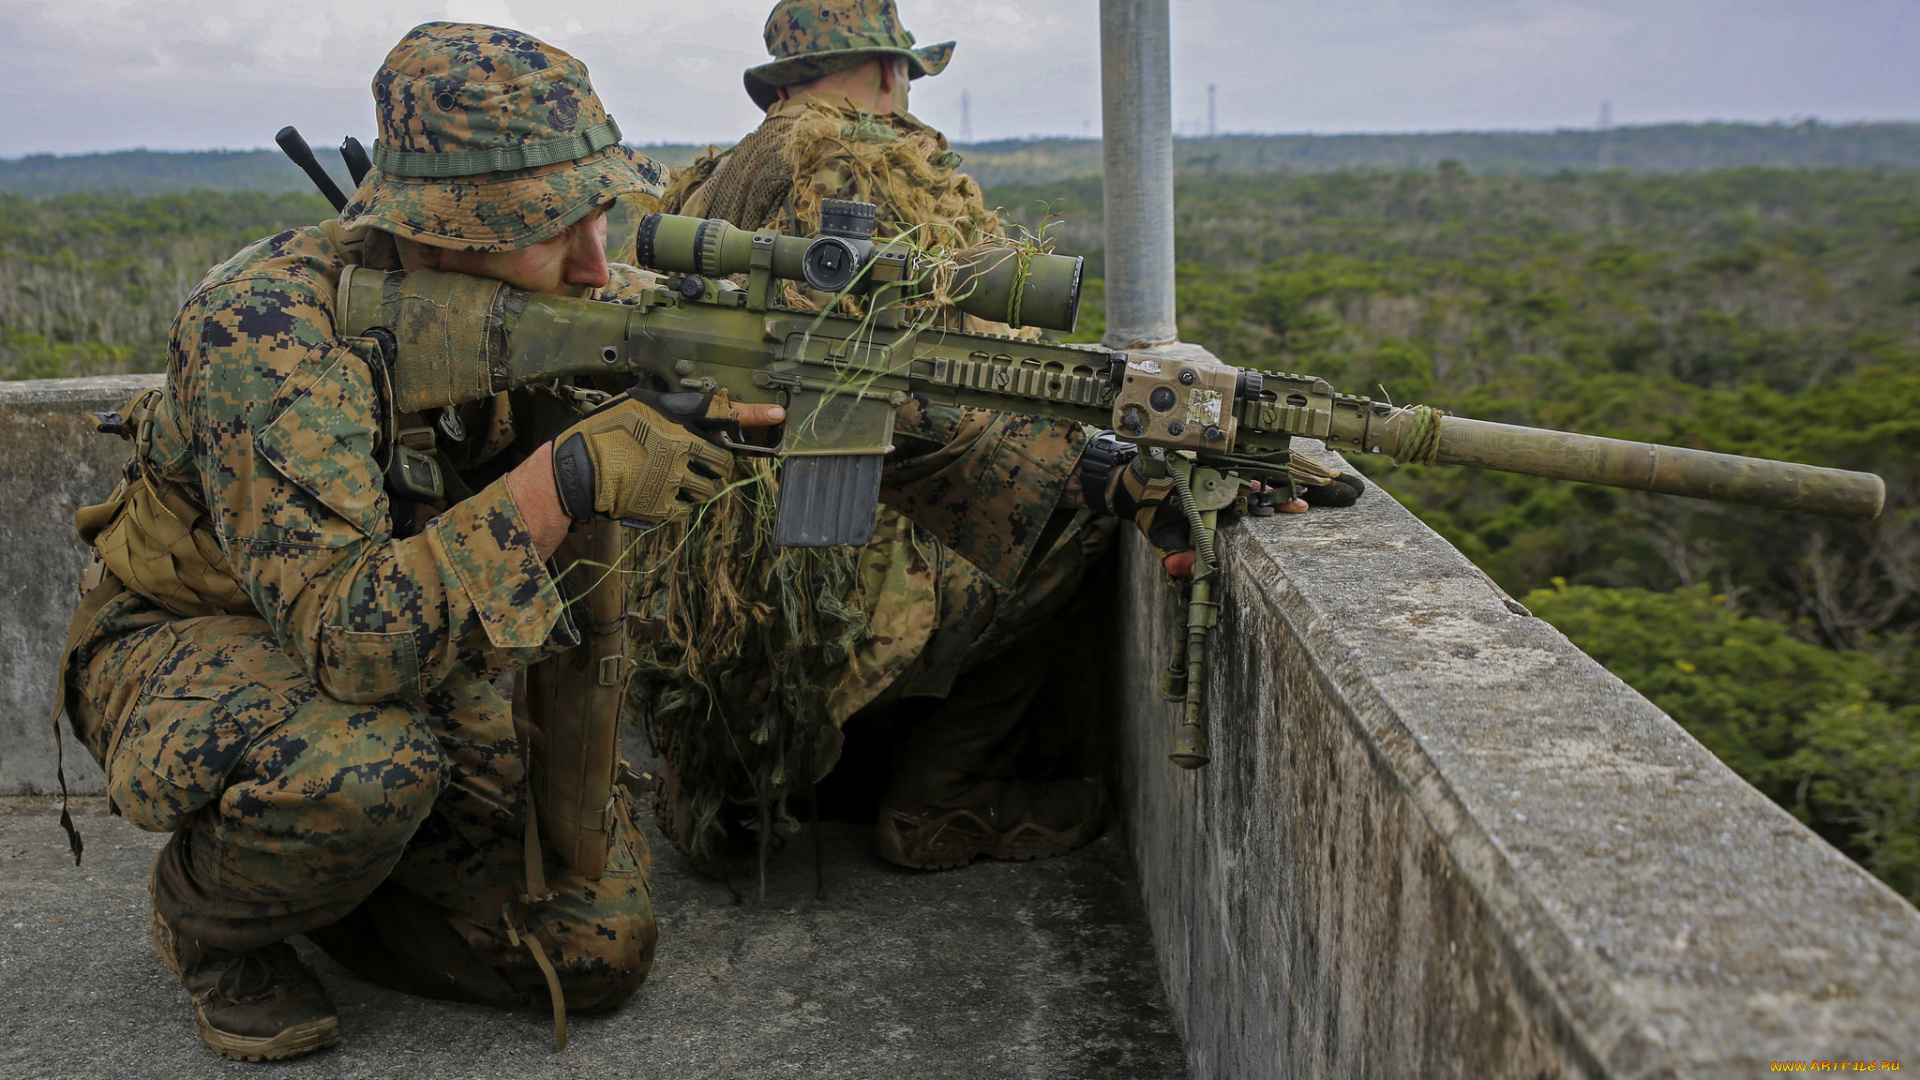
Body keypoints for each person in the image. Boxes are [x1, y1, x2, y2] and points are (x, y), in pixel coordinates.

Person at [54, 22, 776, 1062]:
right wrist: (570, 475)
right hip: (195, 634)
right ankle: (208, 918)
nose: (592, 266)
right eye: (552, 231)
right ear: (438, 232)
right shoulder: (266, 337)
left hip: (406, 634)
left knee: (596, 949)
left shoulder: (536, 294)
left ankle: (328, 878)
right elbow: (349, 641)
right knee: (361, 769)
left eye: (600, 217)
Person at [628, 0, 1356, 882]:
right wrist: (1125, 475)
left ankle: (814, 766)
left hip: (701, 637)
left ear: (780, 79)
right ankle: (947, 795)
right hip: (797, 623)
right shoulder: (868, 159)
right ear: (893, 69)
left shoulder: (715, 184)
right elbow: (965, 394)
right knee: (1071, 511)